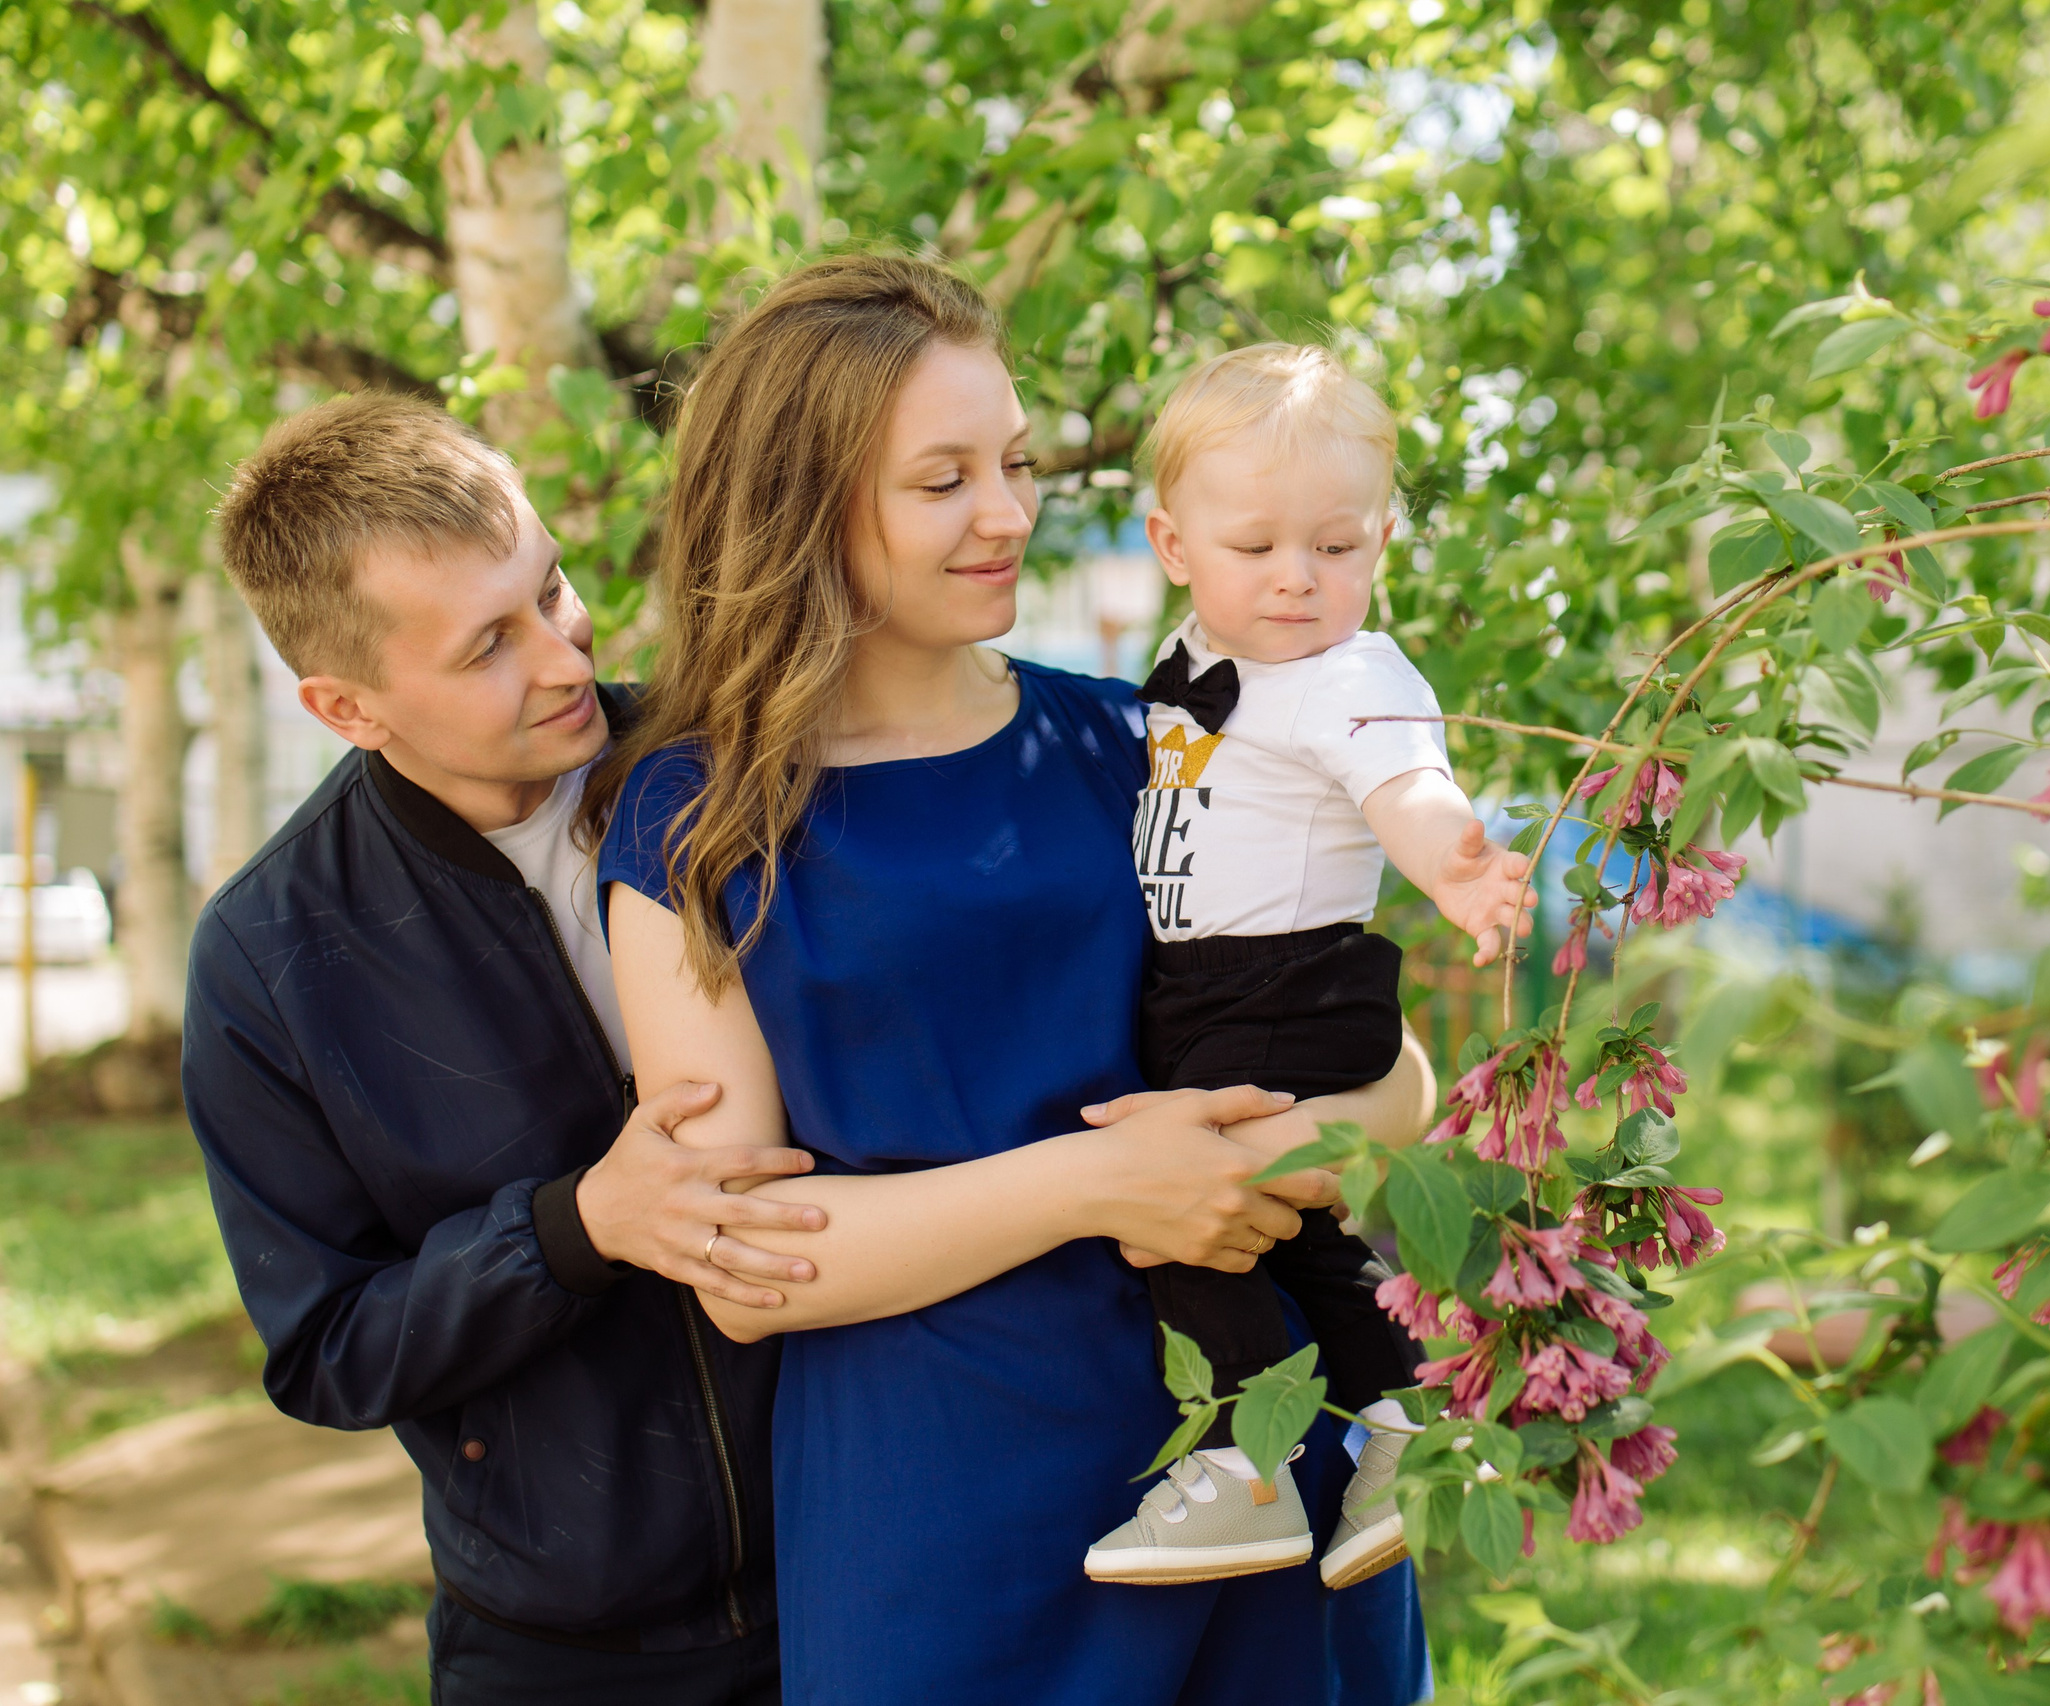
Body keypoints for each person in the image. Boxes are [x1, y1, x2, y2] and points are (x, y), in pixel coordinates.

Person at [186, 394, 1309, 1704]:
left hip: (888, 1544)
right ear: (346, 706)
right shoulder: (273, 957)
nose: (562, 656)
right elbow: (328, 1344)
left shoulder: (740, 773)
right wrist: (571, 1228)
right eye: (489, 644)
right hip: (570, 1642)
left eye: (550, 590)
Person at [590, 254, 1435, 1705]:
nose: (1009, 512)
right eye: (944, 480)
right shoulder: (699, 818)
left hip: (1266, 1460)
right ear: (801, 502)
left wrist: (1266, 1152)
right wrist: (1098, 1183)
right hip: (949, 1506)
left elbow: (1392, 1078)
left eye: (1018, 462)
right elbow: (746, 1269)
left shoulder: (1150, 739)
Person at [1087, 344, 1536, 1594]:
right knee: (1298, 1230)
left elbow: (1408, 783)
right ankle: (1405, 1416)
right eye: (1257, 545)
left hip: (1287, 984)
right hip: (1209, 993)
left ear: (1380, 541)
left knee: (1183, 1210)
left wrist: (1453, 865)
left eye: (1335, 546)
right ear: (1175, 545)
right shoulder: (1191, 658)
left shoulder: (1350, 673)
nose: (1297, 574)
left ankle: (1242, 1464)